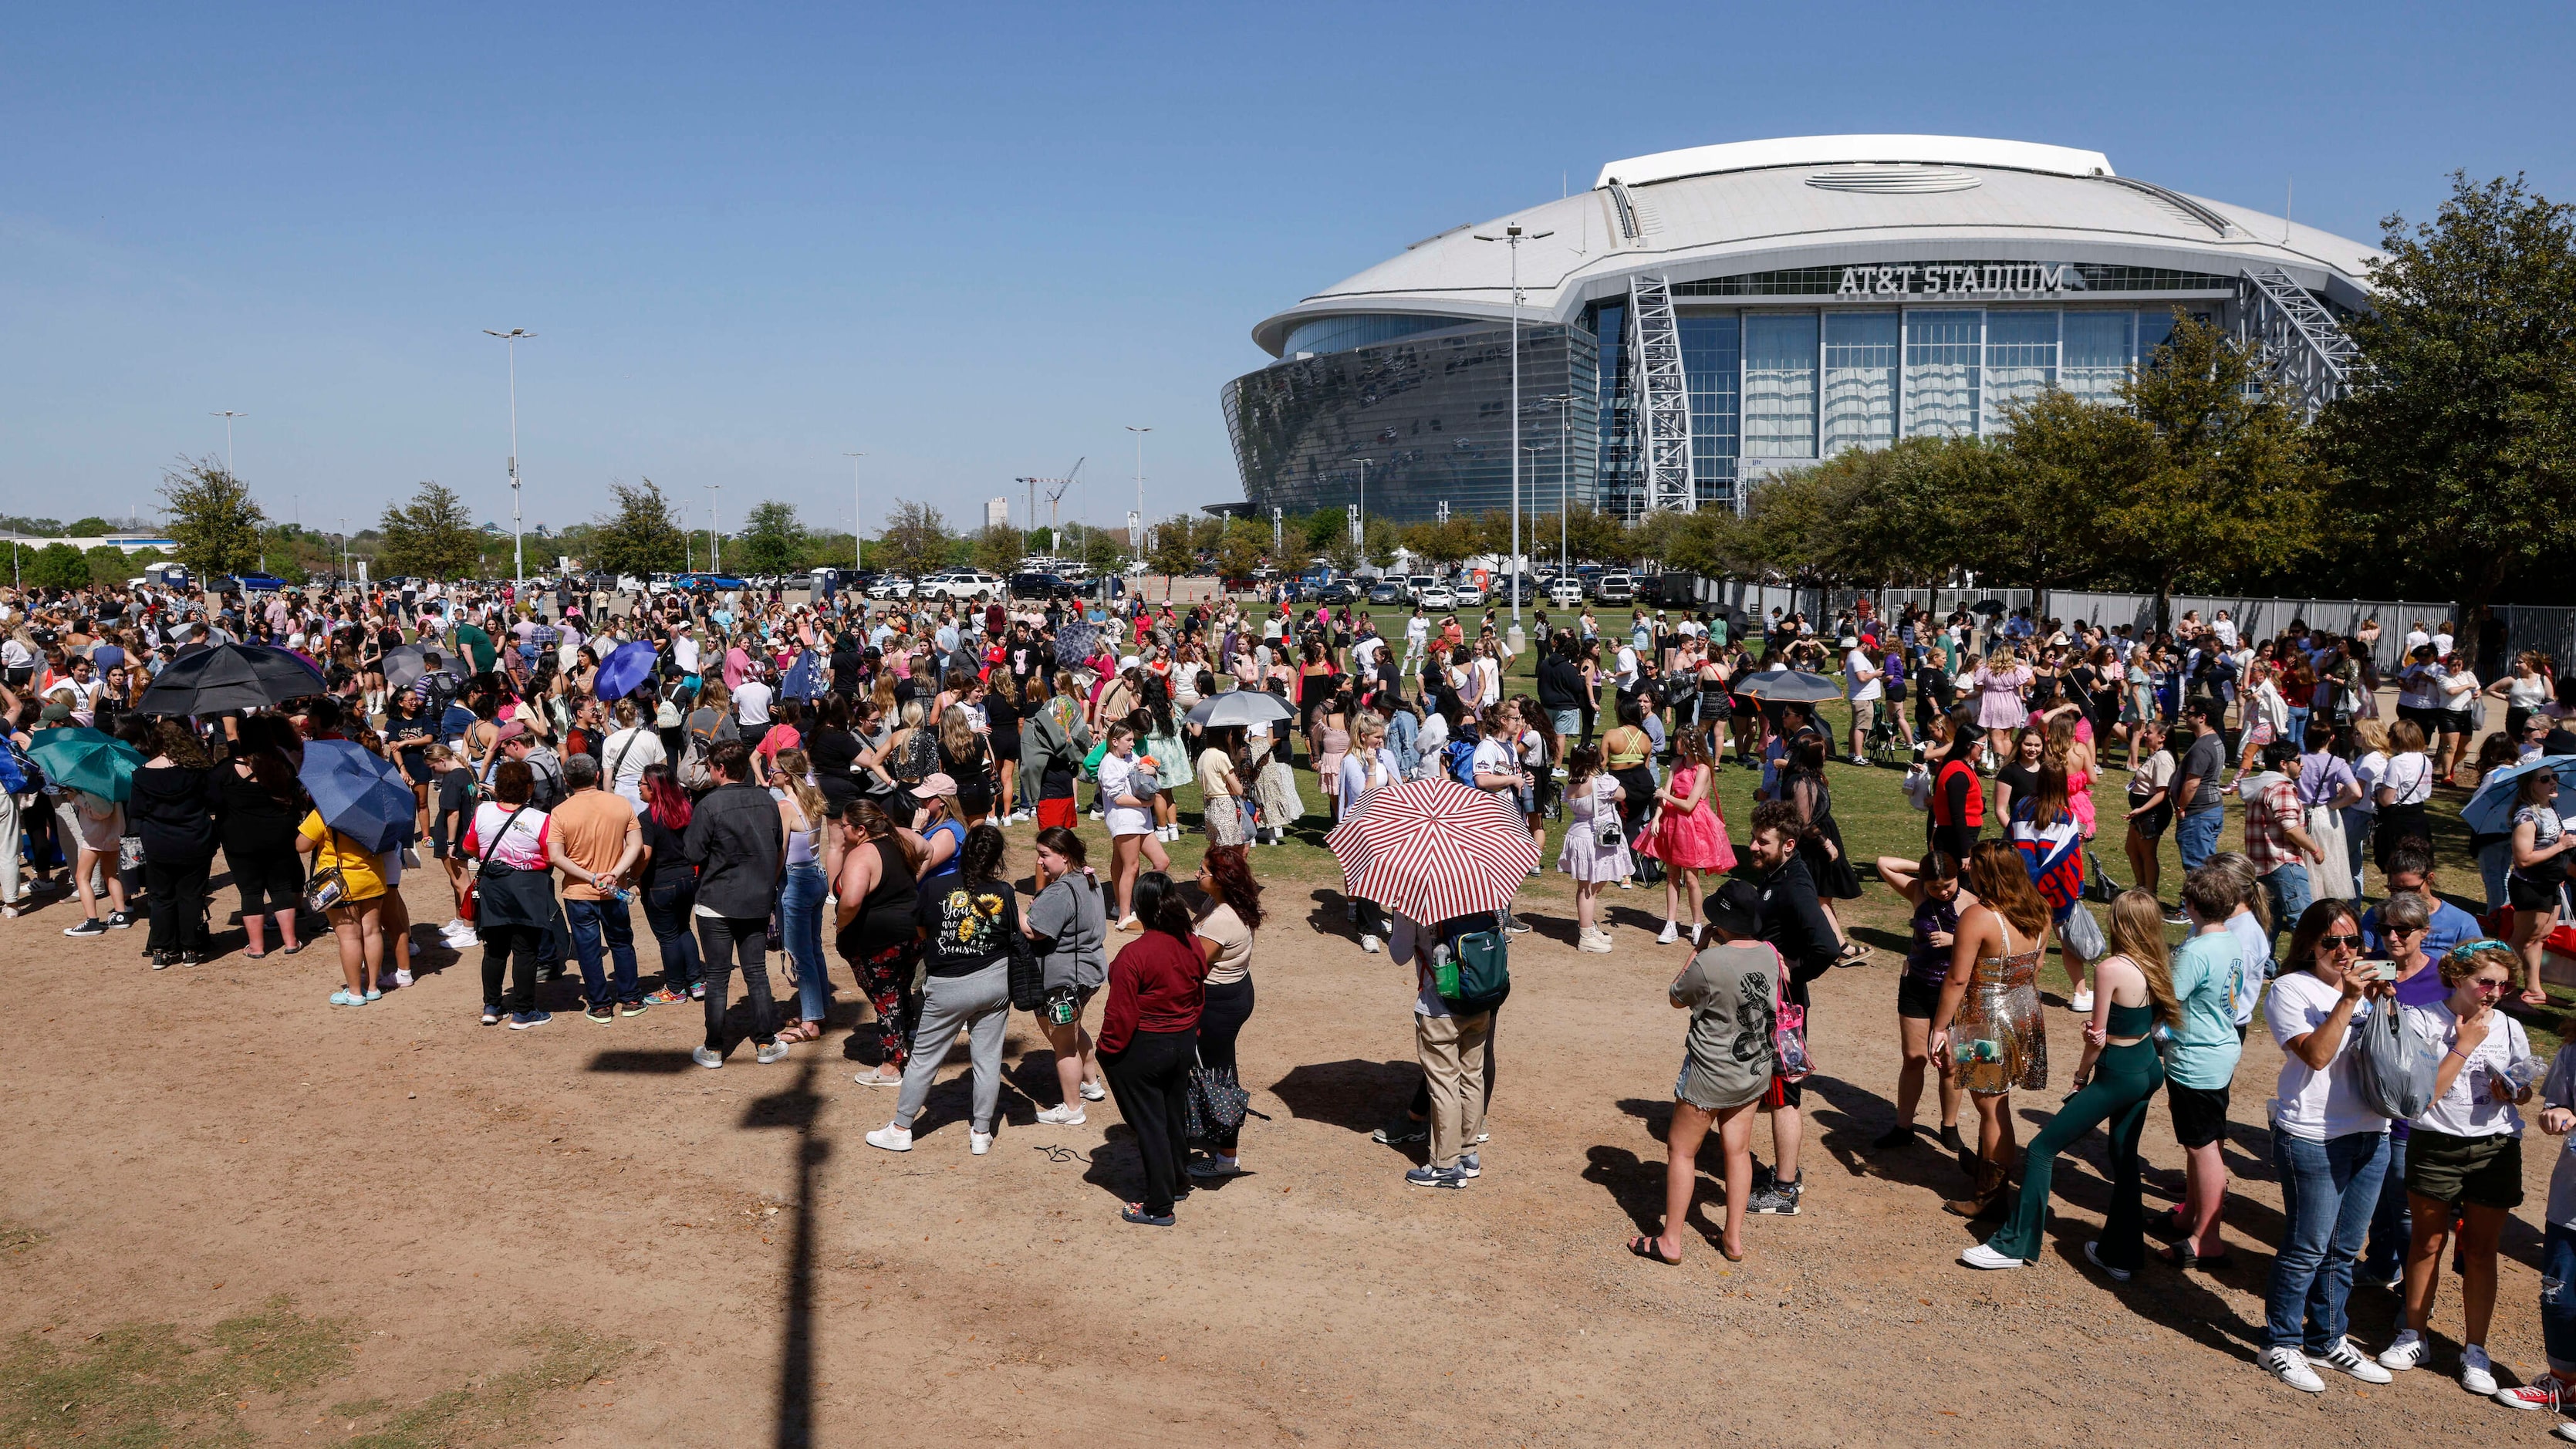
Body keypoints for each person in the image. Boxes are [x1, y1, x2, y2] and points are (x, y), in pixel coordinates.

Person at [1964, 888, 2176, 1278]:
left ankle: (2015, 1244)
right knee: (2123, 1157)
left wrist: (2080, 1077)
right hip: (2147, 1068)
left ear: (2119, 923)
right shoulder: (2157, 962)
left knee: (2044, 1148)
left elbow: (2096, 1041)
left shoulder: (2111, 968)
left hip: (2119, 1074)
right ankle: (2120, 1254)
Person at [2248, 900, 2399, 1392]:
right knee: (2306, 1247)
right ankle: (2281, 1343)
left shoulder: (2372, 993)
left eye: (2352, 941)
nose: (2343, 950)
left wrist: (2387, 1002)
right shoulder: (2289, 990)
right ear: (2309, 943)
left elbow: (2389, 1060)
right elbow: (2315, 1055)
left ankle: (2328, 1338)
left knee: (2344, 1249)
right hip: (2312, 1134)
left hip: (2371, 1132)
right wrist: (2350, 1001)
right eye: (2331, 941)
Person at [2378, 941, 2537, 1397]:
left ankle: (2475, 1350)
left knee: (2482, 1251)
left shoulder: (2509, 1026)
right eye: (2484, 982)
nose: (2492, 993)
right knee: (2427, 1242)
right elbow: (2419, 1097)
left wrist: (2516, 1093)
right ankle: (2414, 1335)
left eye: (2502, 986)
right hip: (2435, 1144)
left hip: (2495, 1147)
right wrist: (2464, 1046)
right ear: (2456, 977)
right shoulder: (2423, 1019)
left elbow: (2523, 1087)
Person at [1629, 880, 1775, 1266]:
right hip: (1752, 1072)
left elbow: (1677, 996)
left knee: (1681, 1150)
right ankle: (1733, 1237)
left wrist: (1699, 948)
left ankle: (1671, 1240)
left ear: (1722, 921)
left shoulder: (1710, 963)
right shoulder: (1769, 955)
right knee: (1738, 1151)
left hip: (1708, 1075)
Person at [866, 824, 1026, 1156]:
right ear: (997, 858)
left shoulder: (935, 887)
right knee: (988, 1059)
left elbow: (922, 930)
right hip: (995, 984)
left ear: (964, 852)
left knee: (924, 1058)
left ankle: (901, 1128)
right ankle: (981, 1132)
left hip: (948, 986)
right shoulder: (1005, 891)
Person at [1928, 839, 2054, 1219]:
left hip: (1984, 1021)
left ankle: (1991, 1197)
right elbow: (2036, 969)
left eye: (1975, 868)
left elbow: (1956, 980)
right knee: (1998, 1103)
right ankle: (1988, 1174)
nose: (1969, 873)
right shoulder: (2040, 910)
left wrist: (1939, 1028)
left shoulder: (1977, 916)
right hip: (2024, 1012)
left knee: (1991, 1108)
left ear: (1988, 873)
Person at [1739, 800, 1839, 1216]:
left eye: (1763, 841)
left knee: (1784, 1095)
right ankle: (1786, 1174)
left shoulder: (1795, 885)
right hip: (1767, 1006)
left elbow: (1828, 947)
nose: (1753, 847)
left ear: (1789, 844)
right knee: (1776, 1092)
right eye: (1754, 838)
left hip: (1782, 1012)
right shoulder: (1778, 875)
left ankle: (1783, 1191)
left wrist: (1788, 974)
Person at [1094, 870, 1207, 1224]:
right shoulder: (1192, 943)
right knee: (1172, 1115)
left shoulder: (1134, 955)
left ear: (1140, 908)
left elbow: (1121, 1013)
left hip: (1145, 1047)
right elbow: (1198, 995)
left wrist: (1106, 1051)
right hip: (1183, 1042)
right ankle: (1178, 1181)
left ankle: (1159, 1206)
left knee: (1150, 1125)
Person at [2157, 864, 2252, 1270]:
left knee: (2204, 1147)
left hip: (2196, 1058)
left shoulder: (2195, 951)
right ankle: (2190, 1216)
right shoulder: (2230, 941)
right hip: (2218, 1050)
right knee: (2200, 1143)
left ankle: (2206, 1238)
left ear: (2190, 904)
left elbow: (2167, 999)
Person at [684, 740, 789, 1068]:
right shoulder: (767, 801)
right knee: (756, 972)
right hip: (757, 897)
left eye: (711, 767)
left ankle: (714, 1048)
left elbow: (693, 853)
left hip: (716, 900)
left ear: (722, 769)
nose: (710, 772)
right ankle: (766, 1043)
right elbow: (777, 848)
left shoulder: (709, 806)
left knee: (717, 976)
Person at [1872, 850, 1968, 1153]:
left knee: (1951, 1065)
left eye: (1948, 885)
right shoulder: (1917, 892)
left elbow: (1986, 947)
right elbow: (1883, 863)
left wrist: (1957, 940)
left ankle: (1949, 1126)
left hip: (1953, 994)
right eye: (1934, 886)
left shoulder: (1972, 904)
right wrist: (1927, 869)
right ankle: (1904, 1127)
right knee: (1914, 1059)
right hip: (1916, 986)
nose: (1942, 892)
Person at [1185, 844, 1264, 1180]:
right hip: (1234, 994)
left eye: (1202, 871)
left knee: (1220, 1076)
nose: (1196, 874)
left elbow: (1191, 964)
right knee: (1215, 1069)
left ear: (1220, 879)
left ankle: (1226, 1158)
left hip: (1218, 1004)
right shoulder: (1218, 903)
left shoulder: (1221, 920)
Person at [552, 752, 648, 1024]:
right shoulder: (620, 804)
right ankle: (630, 998)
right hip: (614, 889)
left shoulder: (560, 812)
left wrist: (590, 876)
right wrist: (614, 874)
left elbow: (557, 856)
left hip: (579, 892)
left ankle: (600, 1005)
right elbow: (635, 844)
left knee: (587, 948)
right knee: (621, 943)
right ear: (597, 776)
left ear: (567, 780)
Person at [833, 800, 922, 1089]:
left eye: (844, 825)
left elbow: (852, 900)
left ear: (860, 829)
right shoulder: (901, 838)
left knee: (887, 1002)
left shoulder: (862, 855)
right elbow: (928, 850)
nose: (841, 830)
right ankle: (906, 1043)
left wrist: (842, 924)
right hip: (910, 934)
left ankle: (891, 1066)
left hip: (878, 942)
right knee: (900, 992)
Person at [1022, 825, 1109, 1121]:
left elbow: (1034, 931)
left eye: (1045, 855)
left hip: (1063, 982)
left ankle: (1072, 1109)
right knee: (1073, 1028)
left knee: (1063, 1044)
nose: (1040, 862)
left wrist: (1009, 909)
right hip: (1089, 973)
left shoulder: (1061, 889)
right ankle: (1091, 1083)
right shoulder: (1088, 876)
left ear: (1064, 855)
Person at [128, 719, 221, 966]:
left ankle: (160, 949)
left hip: (158, 842)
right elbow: (212, 801)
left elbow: (137, 811)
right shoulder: (196, 770)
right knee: (191, 895)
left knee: (161, 896)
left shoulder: (142, 774)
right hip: (194, 839)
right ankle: (190, 948)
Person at [1640, 729, 1734, 945]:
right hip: (1672, 823)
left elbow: (1690, 804)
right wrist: (1656, 817)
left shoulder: (1703, 769)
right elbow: (1666, 794)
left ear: (1689, 743)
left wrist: (1666, 797)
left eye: (1679, 740)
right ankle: (1671, 924)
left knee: (1691, 878)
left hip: (1692, 826)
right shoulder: (1675, 764)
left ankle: (1696, 924)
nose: (1676, 744)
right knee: (1672, 876)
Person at [219, 727, 306, 959]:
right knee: (281, 888)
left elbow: (211, 800)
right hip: (280, 836)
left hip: (240, 840)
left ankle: (256, 947)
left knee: (250, 892)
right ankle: (290, 941)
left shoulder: (225, 770)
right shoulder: (281, 765)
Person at [768, 748, 832, 1042]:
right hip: (817, 876)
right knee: (813, 947)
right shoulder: (812, 796)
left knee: (799, 952)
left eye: (774, 770)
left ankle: (810, 1023)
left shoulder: (785, 806)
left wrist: (769, 883)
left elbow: (780, 854)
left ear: (787, 775)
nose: (770, 775)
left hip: (796, 881)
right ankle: (818, 1009)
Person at [633, 762, 704, 1005]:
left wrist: (633, 878)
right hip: (688, 880)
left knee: (668, 937)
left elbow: (645, 854)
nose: (639, 788)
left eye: (642, 784)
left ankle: (674, 989)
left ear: (653, 789)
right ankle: (696, 981)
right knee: (684, 927)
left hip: (660, 884)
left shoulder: (648, 818)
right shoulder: (686, 809)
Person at [2508, 768, 2574, 1008]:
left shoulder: (2549, 808)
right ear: (2530, 785)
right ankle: (2507, 991)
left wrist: (2561, 846)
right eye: (2545, 779)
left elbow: (2548, 842)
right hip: (2530, 886)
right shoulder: (2525, 816)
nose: (2553, 782)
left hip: (2551, 883)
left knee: (2540, 937)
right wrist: (2560, 847)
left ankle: (2534, 990)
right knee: (2522, 940)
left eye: (2554, 777)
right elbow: (2523, 859)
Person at [1557, 744, 1631, 953]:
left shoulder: (1571, 784)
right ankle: (1586, 934)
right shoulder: (1602, 781)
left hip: (1579, 836)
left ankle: (1588, 927)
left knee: (1589, 886)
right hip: (1597, 839)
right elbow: (1622, 795)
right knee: (1588, 889)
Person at [1098, 724, 1170, 929]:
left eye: (1132, 740)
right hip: (1124, 820)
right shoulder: (1108, 764)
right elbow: (1118, 798)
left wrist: (1152, 770)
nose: (1132, 743)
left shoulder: (1132, 758)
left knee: (1161, 861)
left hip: (1141, 821)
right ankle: (1124, 916)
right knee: (1132, 866)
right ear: (1114, 741)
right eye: (1128, 740)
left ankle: (1146, 903)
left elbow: (1145, 776)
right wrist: (1146, 804)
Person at [2173, 698, 2230, 876]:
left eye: (2189, 713)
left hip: (2198, 814)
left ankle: (2194, 904)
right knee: (2207, 864)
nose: (2185, 717)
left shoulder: (2202, 747)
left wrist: (2181, 807)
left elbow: (2192, 783)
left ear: (2202, 717)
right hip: (2211, 810)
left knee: (2197, 867)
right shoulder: (2214, 740)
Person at [2122, 718, 2173, 909]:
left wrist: (2140, 810)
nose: (2145, 735)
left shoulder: (2163, 759)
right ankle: (2141, 886)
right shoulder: (2154, 755)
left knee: (2147, 853)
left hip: (2151, 812)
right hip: (2141, 811)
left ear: (2162, 738)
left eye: (2149, 732)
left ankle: (2150, 893)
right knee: (2131, 849)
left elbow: (2162, 793)